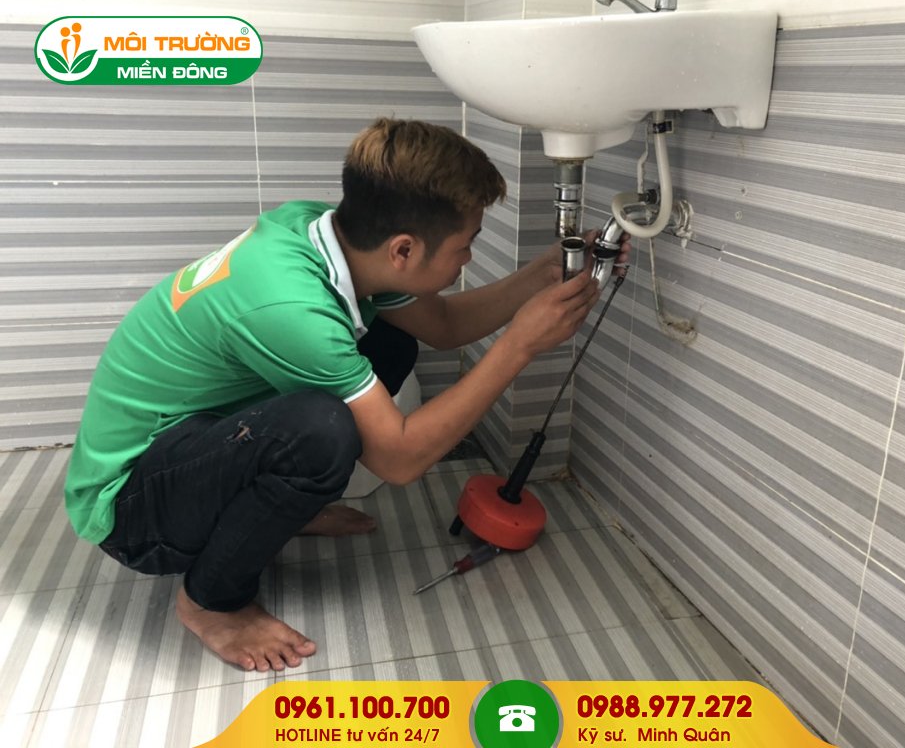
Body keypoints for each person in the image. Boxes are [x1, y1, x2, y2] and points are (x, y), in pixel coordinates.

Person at [64, 117, 628, 673]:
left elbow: (444, 325)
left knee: (391, 344)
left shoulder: (327, 234)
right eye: (465, 245)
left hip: (187, 447)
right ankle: (210, 602)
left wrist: (543, 274)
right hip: (131, 512)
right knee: (321, 432)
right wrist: (519, 346)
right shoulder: (294, 308)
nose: (469, 259)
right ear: (404, 250)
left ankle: (272, 507)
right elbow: (399, 461)